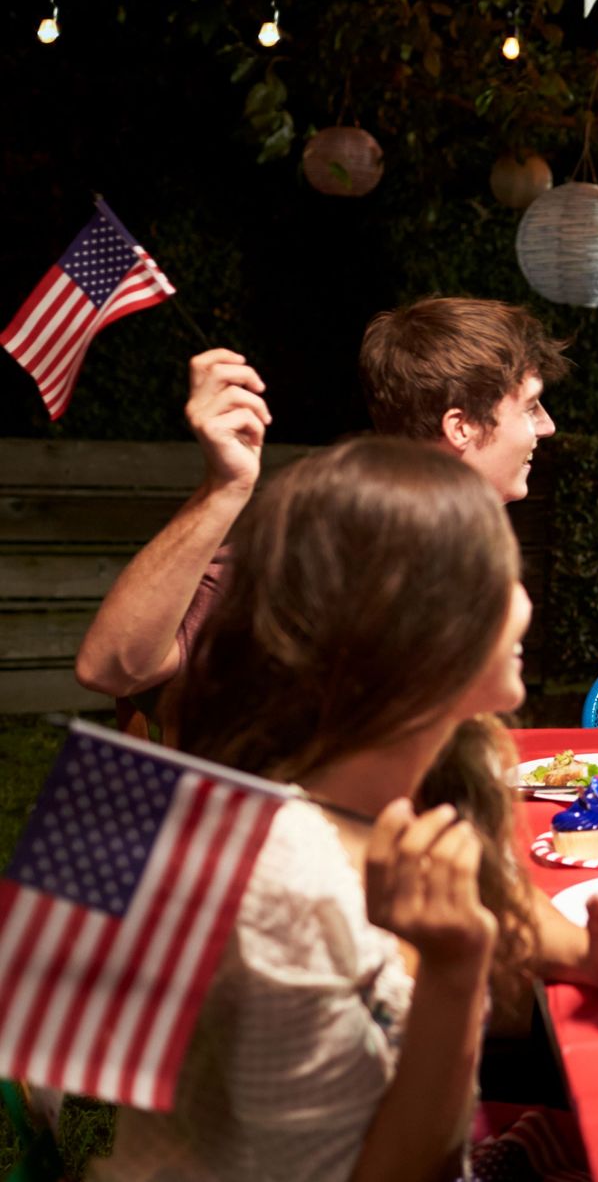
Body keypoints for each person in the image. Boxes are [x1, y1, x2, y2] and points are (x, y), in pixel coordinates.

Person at [98, 439, 542, 1181]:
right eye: (502, 575)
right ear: (418, 634)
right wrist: (457, 973)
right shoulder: (288, 889)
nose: (525, 600)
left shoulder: (360, 803)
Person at [72, 297, 569, 733]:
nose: (545, 426)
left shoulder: (459, 545)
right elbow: (110, 669)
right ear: (461, 428)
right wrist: (224, 489)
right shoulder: (328, 540)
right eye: (529, 407)